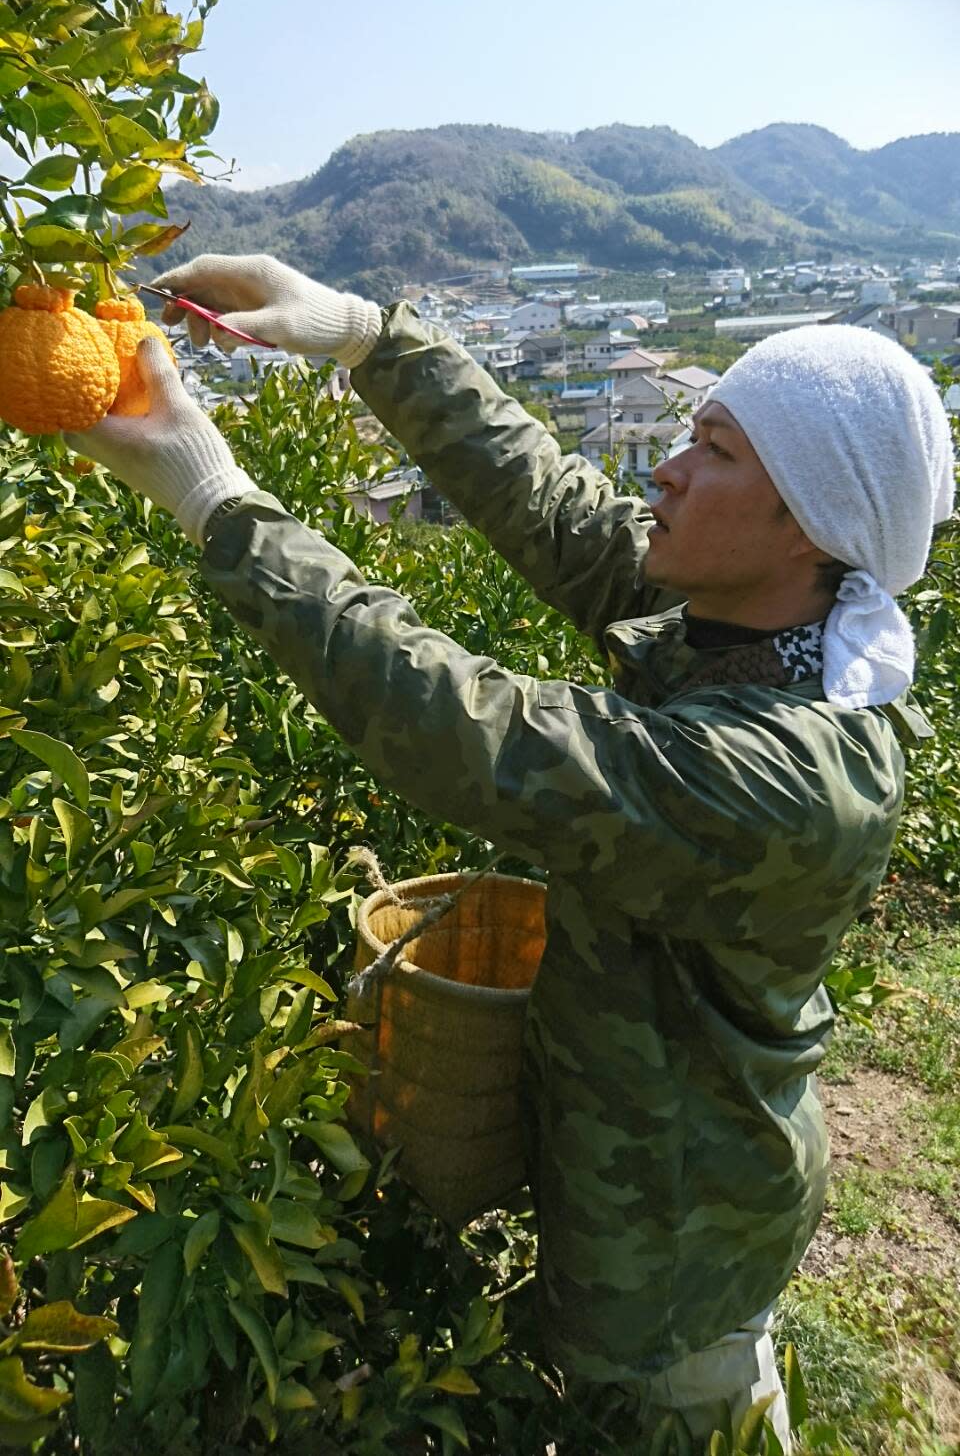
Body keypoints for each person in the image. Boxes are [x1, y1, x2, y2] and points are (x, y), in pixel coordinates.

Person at [67, 254, 954, 1451]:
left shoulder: (790, 781)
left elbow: (475, 731)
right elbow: (556, 504)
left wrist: (219, 500)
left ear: (807, 518)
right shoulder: (755, 624)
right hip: (631, 1159)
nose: (670, 470)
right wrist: (369, 338)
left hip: (679, 1238)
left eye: (716, 450)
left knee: (682, 1403)